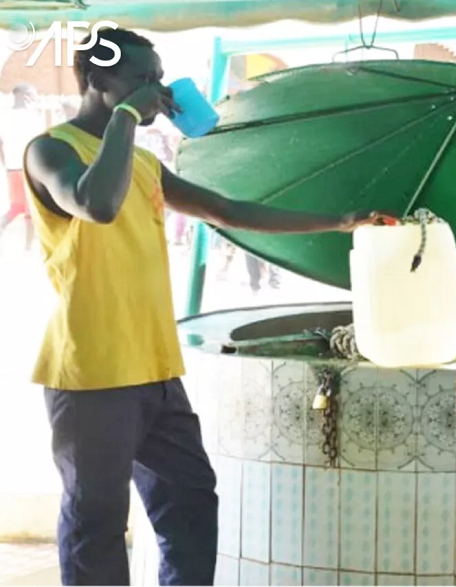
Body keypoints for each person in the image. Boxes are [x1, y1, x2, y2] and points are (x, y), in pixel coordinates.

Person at [21, 28, 394, 586]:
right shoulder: (50, 149)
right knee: (96, 524)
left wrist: (343, 221)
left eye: (159, 78)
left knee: (191, 507)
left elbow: (226, 209)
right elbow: (96, 204)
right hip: (92, 372)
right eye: (143, 78)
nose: (157, 90)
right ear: (99, 79)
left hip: (156, 370)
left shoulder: (143, 163)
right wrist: (126, 117)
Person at [0, 84, 45, 252]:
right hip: (27, 166)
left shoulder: (4, 115)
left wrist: (5, 164)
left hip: (13, 167)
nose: (33, 98)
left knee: (16, 207)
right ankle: (28, 247)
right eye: (31, 95)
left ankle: (24, 244)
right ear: (22, 95)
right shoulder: (31, 115)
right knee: (30, 208)